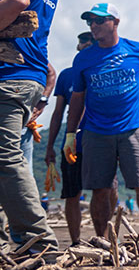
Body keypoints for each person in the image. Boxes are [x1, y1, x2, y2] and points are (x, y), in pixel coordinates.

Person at [64, 3, 139, 240]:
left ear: (115, 22)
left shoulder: (137, 50)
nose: (93, 26)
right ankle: (103, 240)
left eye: (99, 20)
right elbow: (77, 98)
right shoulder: (83, 59)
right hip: (96, 131)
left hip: (134, 127)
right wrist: (70, 134)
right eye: (90, 22)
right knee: (100, 189)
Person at [0, 0, 59, 253]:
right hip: (31, 75)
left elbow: (18, 0)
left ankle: (39, 242)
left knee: (6, 158)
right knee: (8, 157)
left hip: (10, 76)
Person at [44, 32, 116, 246]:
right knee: (72, 193)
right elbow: (58, 113)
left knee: (108, 189)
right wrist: (50, 146)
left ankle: (104, 237)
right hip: (72, 144)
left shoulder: (106, 72)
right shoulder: (67, 75)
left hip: (102, 140)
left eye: (84, 44)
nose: (80, 48)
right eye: (79, 45)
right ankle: (76, 242)